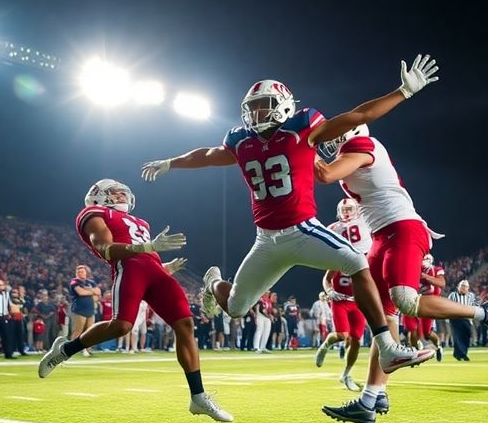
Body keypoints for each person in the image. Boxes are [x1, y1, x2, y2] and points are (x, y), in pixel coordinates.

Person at [141, 57, 447, 378]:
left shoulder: (303, 127)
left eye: (265, 105)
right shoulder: (240, 140)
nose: (257, 112)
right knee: (235, 308)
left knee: (357, 263)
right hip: (266, 239)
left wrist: (403, 92)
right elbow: (205, 155)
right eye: (254, 106)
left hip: (303, 230)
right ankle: (213, 281)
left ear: (284, 106)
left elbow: (358, 115)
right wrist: (171, 162)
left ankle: (386, 348)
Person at [314, 124, 488, 423]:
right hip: (382, 234)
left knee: (405, 300)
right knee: (382, 318)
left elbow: (326, 175)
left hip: (402, 227)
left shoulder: (363, 144)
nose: (329, 143)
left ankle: (485, 313)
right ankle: (371, 398)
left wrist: (303, 152)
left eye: (336, 135)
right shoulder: (352, 151)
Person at [38, 179, 232, 422]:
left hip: (154, 272)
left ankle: (198, 396)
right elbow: (105, 248)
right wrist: (148, 246)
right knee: (122, 326)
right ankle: (65, 349)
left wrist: (163, 266)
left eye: (123, 194)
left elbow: (147, 257)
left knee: (185, 325)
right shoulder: (92, 213)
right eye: (116, 193)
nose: (122, 197)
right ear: (99, 196)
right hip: (128, 269)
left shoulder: (141, 222)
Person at [316, 197, 373, 391]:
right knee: (342, 335)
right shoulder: (339, 255)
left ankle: (346, 374)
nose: (347, 212)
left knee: (356, 340)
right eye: (344, 209)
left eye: (350, 209)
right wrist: (330, 292)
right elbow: (326, 279)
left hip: (358, 302)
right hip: (340, 301)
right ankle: (326, 344)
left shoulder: (366, 256)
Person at [68, 264, 100, 347]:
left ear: (86, 272)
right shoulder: (74, 282)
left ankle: (86, 348)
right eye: (78, 272)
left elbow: (99, 292)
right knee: (77, 331)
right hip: (79, 310)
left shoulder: (91, 282)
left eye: (82, 272)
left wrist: (88, 289)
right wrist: (92, 292)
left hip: (90, 309)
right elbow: (81, 292)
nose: (80, 273)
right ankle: (72, 348)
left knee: (89, 331)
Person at [447, 280, 477, 361]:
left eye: (465, 286)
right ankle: (463, 354)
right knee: (458, 336)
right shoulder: (453, 295)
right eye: (462, 286)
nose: (464, 288)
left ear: (468, 288)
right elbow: (448, 306)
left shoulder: (471, 296)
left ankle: (458, 354)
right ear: (458, 287)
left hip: (467, 318)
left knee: (467, 335)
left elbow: (474, 306)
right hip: (455, 318)